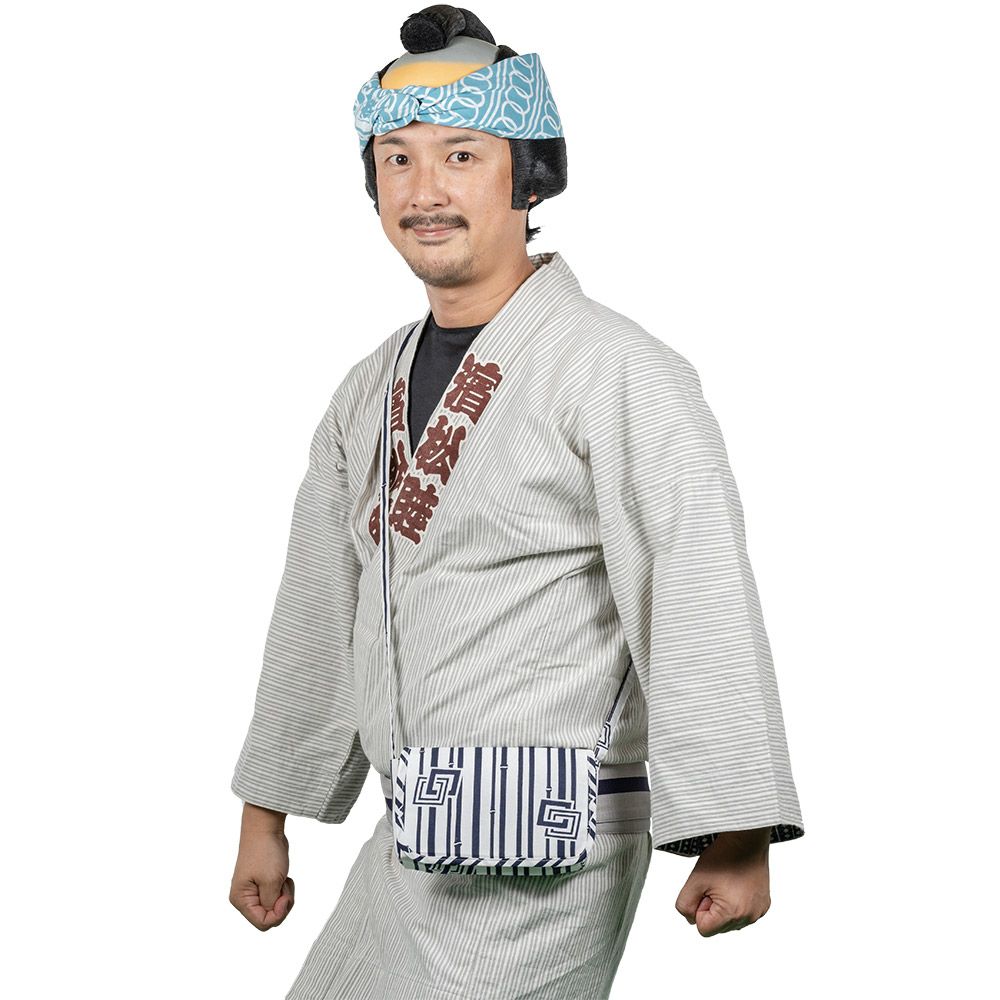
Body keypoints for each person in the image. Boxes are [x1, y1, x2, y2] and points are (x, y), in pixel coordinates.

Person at [229, 7, 805, 998]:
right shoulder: (368, 389)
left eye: (461, 155)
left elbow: (694, 588)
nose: (425, 190)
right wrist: (265, 813)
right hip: (412, 826)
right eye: (398, 161)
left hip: (546, 843)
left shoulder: (616, 370)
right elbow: (319, 606)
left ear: (527, 176)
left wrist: (736, 829)